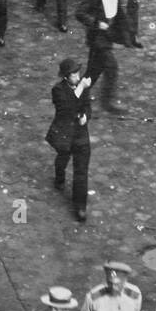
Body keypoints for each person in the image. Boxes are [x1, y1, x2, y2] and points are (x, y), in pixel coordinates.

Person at [46, 58, 93, 222]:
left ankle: (80, 206)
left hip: (80, 135)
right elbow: (67, 109)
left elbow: (87, 106)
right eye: (73, 74)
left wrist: (85, 117)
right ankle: (59, 177)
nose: (77, 77)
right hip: (65, 134)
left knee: (81, 171)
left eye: (78, 73)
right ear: (66, 77)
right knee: (63, 158)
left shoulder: (83, 87)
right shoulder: (58, 90)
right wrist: (81, 88)